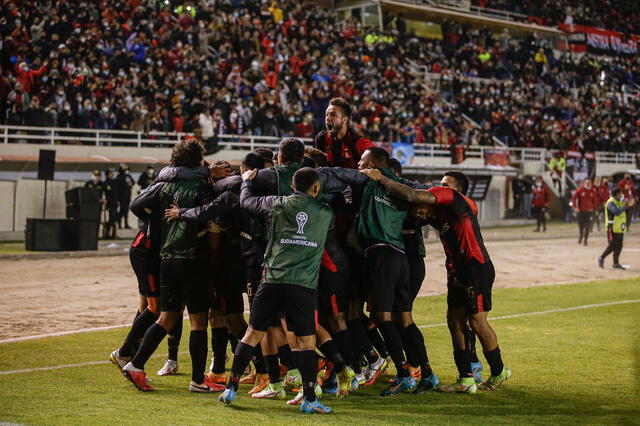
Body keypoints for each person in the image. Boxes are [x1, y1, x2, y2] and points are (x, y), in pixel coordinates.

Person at [360, 168, 511, 394]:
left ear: (458, 191)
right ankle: (466, 378)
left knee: (477, 322)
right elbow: (417, 209)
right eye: (441, 183)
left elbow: (412, 196)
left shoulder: (455, 199)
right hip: (457, 271)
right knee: (454, 321)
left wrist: (380, 177)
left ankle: (499, 371)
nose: (441, 188)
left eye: (446, 185)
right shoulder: (441, 213)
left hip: (475, 267)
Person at [120, 139, 238, 393]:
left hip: (167, 258)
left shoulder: (164, 187)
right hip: (192, 259)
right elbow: (215, 213)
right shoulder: (201, 188)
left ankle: (135, 365)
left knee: (166, 317)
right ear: (197, 161)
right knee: (198, 322)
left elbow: (139, 205)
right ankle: (197, 380)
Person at [218, 167, 334, 415]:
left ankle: (230, 388)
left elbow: (247, 202)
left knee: (252, 334)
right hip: (302, 285)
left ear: (293, 186)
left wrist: (247, 182)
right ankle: (310, 399)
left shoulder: (278, 203)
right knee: (305, 342)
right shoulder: (325, 212)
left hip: (272, 279)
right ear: (316, 189)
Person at [314, 97, 373, 168]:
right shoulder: (322, 138)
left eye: (333, 114)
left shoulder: (360, 144)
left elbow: (378, 167)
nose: (328, 118)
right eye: (327, 114)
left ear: (344, 120)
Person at [597, 188, 635, 269]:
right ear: (617, 194)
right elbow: (616, 212)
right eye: (621, 193)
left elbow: (626, 212)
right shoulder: (611, 202)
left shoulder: (620, 202)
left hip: (620, 227)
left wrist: (630, 206)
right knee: (612, 245)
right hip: (612, 228)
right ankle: (601, 258)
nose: (622, 195)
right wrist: (626, 205)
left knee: (619, 245)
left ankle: (616, 263)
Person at [572, 178, 596, 245]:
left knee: (588, 226)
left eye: (589, 183)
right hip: (581, 212)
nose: (588, 184)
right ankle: (581, 236)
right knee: (581, 226)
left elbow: (594, 201)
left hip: (589, 211)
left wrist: (595, 209)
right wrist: (575, 207)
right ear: (584, 183)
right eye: (587, 182)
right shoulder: (580, 189)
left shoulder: (592, 190)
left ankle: (585, 239)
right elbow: (574, 198)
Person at [116, 164, 135, 229]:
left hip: (127, 195)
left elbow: (133, 182)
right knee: (122, 210)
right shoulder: (120, 176)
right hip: (122, 196)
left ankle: (126, 224)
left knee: (126, 210)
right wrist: (127, 184)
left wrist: (130, 183)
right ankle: (119, 224)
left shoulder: (127, 175)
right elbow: (121, 184)